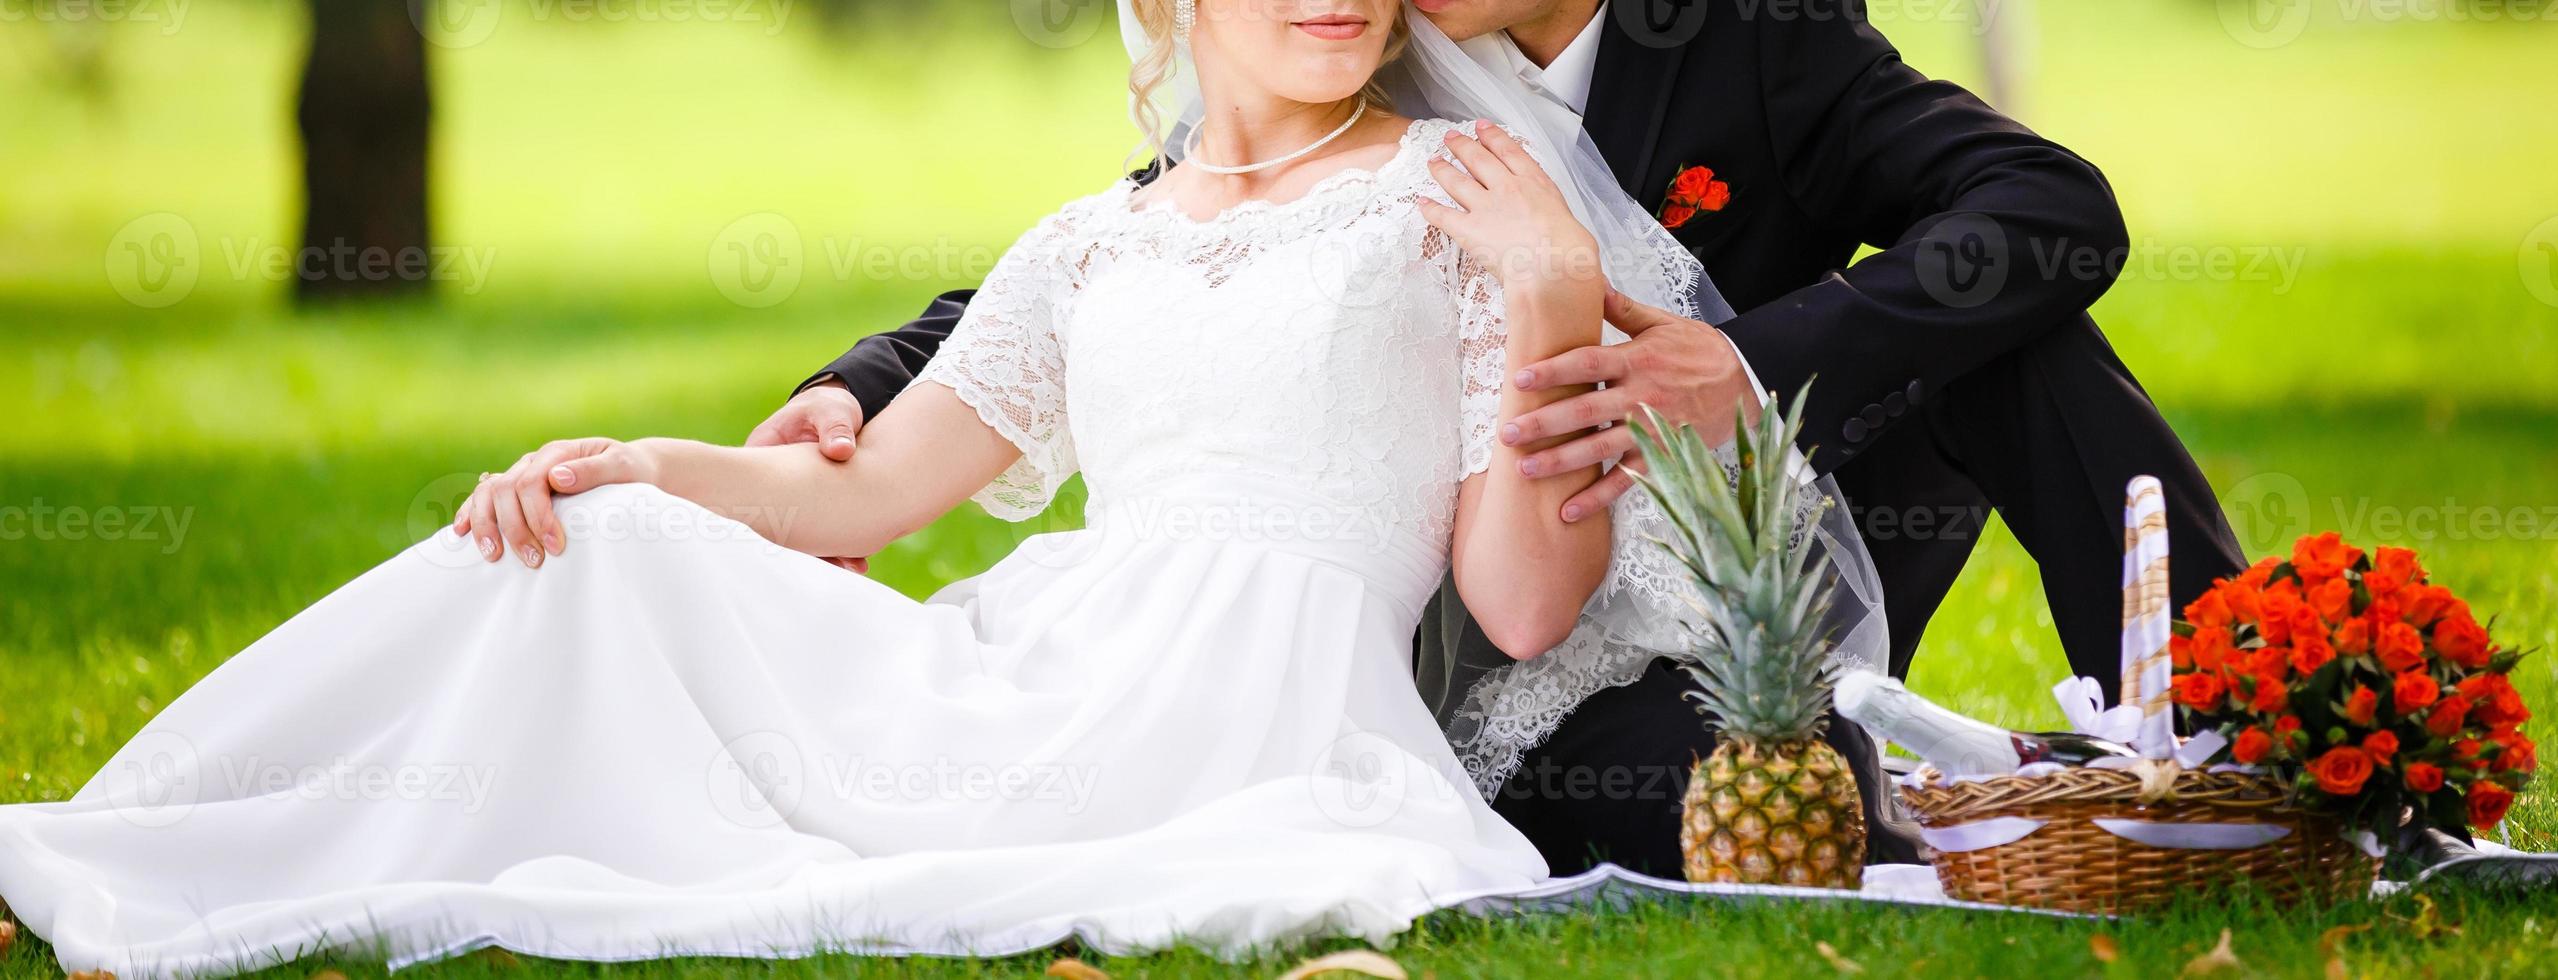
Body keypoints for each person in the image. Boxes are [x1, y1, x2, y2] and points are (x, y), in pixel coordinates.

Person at [0, 1, 1813, 974]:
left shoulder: (1462, 196)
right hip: (1036, 655)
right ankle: (137, 840)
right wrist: (645, 464)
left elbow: (1516, 607)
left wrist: (1558, 295)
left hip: (1249, 723)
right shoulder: (1086, 243)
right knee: (590, 543)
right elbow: (859, 507)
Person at [738, 0, 2247, 874]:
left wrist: (1754, 359)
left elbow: (2053, 212)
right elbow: (1148, 233)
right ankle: (1863, 782)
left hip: (1761, 538)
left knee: (2013, 322)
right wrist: (866, 385)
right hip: (1508, 616)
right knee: (1777, 809)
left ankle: (2235, 724)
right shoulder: (1351, 56)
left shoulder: (1758, 41)